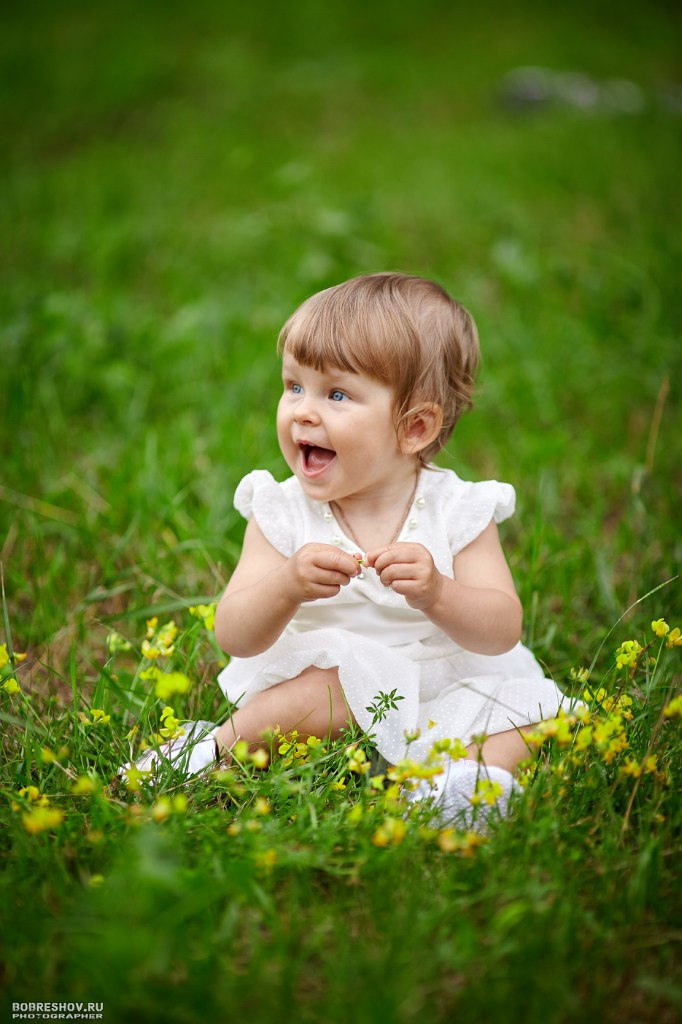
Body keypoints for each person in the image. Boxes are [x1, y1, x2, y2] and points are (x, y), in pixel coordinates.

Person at [125, 272, 567, 826]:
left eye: (336, 394)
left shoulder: (459, 509)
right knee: (314, 696)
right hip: (333, 684)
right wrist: (286, 583)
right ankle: (210, 749)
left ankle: (461, 787)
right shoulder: (282, 511)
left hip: (441, 679)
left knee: (531, 714)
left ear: (414, 428)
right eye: (293, 386)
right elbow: (234, 633)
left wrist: (438, 592)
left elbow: (501, 630)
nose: (303, 411)